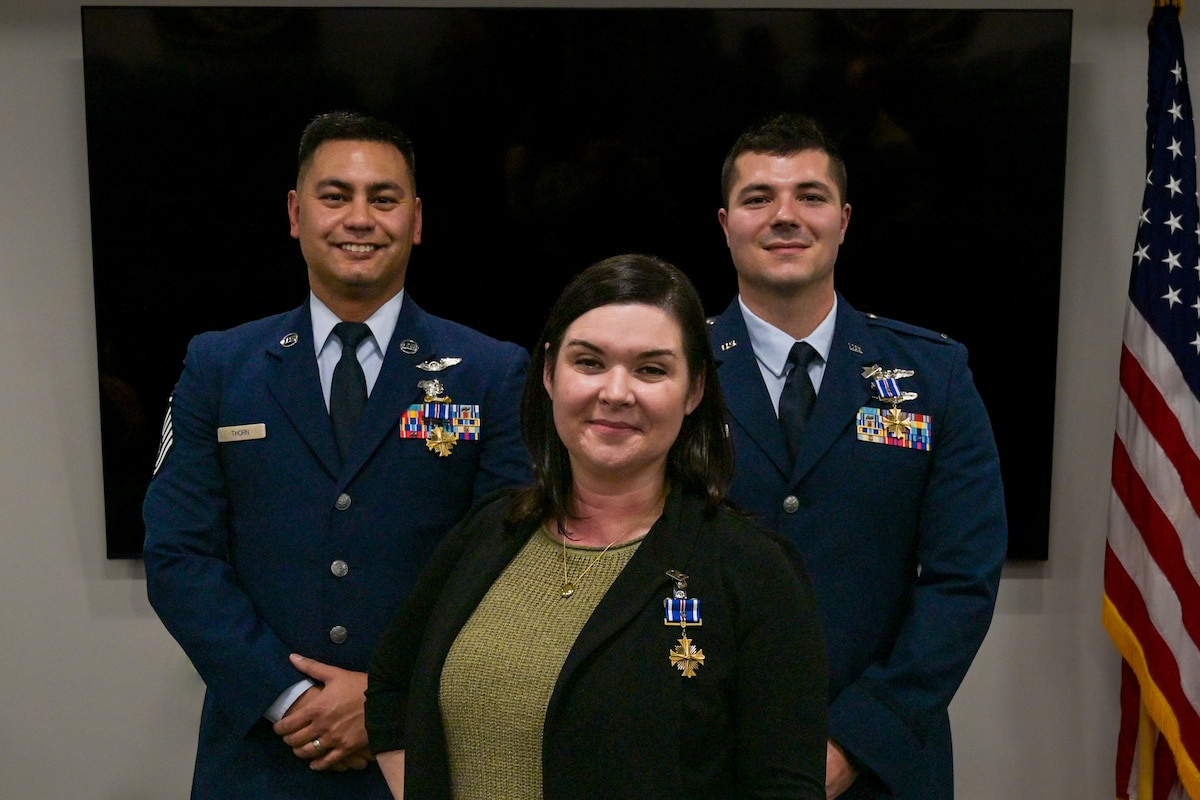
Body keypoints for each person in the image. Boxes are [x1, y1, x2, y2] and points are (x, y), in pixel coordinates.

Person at [142, 111, 531, 799]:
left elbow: (506, 567)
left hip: (423, 753)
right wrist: (286, 696)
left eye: (383, 199)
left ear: (415, 219)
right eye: (334, 196)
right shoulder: (219, 367)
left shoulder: (492, 373)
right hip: (262, 757)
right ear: (296, 213)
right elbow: (178, 554)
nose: (359, 218)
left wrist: (388, 697)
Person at [365, 254, 828, 799]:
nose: (615, 392)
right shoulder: (489, 532)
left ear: (694, 390)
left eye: (651, 369)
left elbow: (784, 787)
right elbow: (392, 692)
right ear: (549, 374)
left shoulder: (752, 569)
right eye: (589, 362)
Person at [707, 113, 1007, 800]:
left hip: (881, 767)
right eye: (759, 198)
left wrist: (854, 742)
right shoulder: (668, 375)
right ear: (725, 223)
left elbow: (962, 581)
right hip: (702, 756)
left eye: (810, 197)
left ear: (843, 220)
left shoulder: (935, 375)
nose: (786, 216)